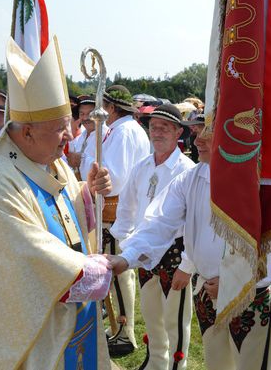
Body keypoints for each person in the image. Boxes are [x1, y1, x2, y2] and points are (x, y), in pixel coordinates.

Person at [0, 38, 113, 370]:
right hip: (24, 331)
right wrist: (88, 271)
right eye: (60, 129)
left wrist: (87, 195)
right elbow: (25, 249)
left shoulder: (50, 159)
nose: (69, 137)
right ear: (27, 133)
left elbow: (64, 213)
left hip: (65, 318)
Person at [111, 118, 271, 370]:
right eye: (196, 132)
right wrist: (126, 257)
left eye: (206, 134)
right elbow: (160, 219)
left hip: (251, 294)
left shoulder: (262, 179)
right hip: (207, 291)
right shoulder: (193, 177)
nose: (196, 141)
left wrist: (234, 281)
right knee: (216, 363)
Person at [110, 104, 195, 370]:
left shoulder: (186, 169)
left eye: (165, 127)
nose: (157, 132)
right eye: (153, 126)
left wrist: (187, 265)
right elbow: (126, 208)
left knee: (175, 320)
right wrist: (126, 244)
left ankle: (175, 366)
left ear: (178, 131)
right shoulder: (142, 167)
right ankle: (156, 362)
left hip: (174, 254)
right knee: (151, 314)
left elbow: (194, 223)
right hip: (144, 253)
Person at [99, 84, 151, 356]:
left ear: (110, 107)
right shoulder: (127, 130)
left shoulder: (123, 132)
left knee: (120, 273)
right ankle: (122, 326)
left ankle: (125, 330)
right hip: (122, 209)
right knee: (121, 273)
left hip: (117, 211)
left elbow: (115, 178)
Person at [67, 96, 104, 181]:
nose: (85, 118)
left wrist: (81, 160)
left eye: (90, 113)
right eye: (82, 114)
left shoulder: (106, 136)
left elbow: (109, 170)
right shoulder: (80, 138)